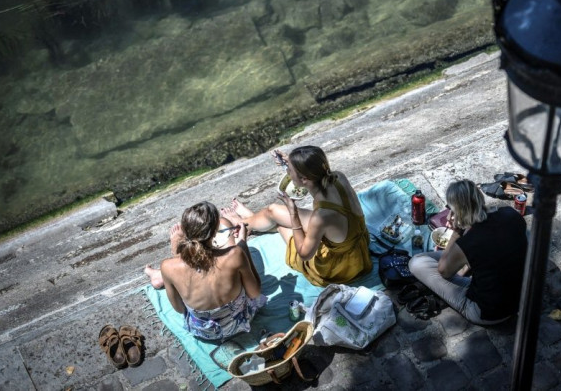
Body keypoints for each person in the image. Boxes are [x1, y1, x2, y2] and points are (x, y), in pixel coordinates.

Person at [223, 145, 372, 287]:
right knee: (273, 210)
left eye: (290, 171)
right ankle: (248, 221)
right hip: (357, 243)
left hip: (344, 267)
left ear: (304, 180)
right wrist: (293, 161)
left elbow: (304, 254)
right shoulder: (338, 177)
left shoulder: (321, 217)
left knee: (281, 225)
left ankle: (244, 224)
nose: (288, 173)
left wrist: (293, 213)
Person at [408, 179, 528, 325]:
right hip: (522, 298)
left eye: (450, 208)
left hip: (487, 312)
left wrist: (456, 231)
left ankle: (467, 282)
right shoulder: (510, 214)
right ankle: (467, 270)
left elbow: (444, 271)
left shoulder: (469, 241)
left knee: (416, 263)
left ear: (457, 211)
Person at [145, 201, 267, 342]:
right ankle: (168, 264)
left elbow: (179, 309)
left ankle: (168, 262)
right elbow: (255, 293)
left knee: (178, 267)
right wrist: (243, 245)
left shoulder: (167, 266)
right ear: (216, 231)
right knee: (226, 223)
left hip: (204, 331)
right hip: (241, 321)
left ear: (186, 233)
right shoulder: (235, 254)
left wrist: (177, 253)